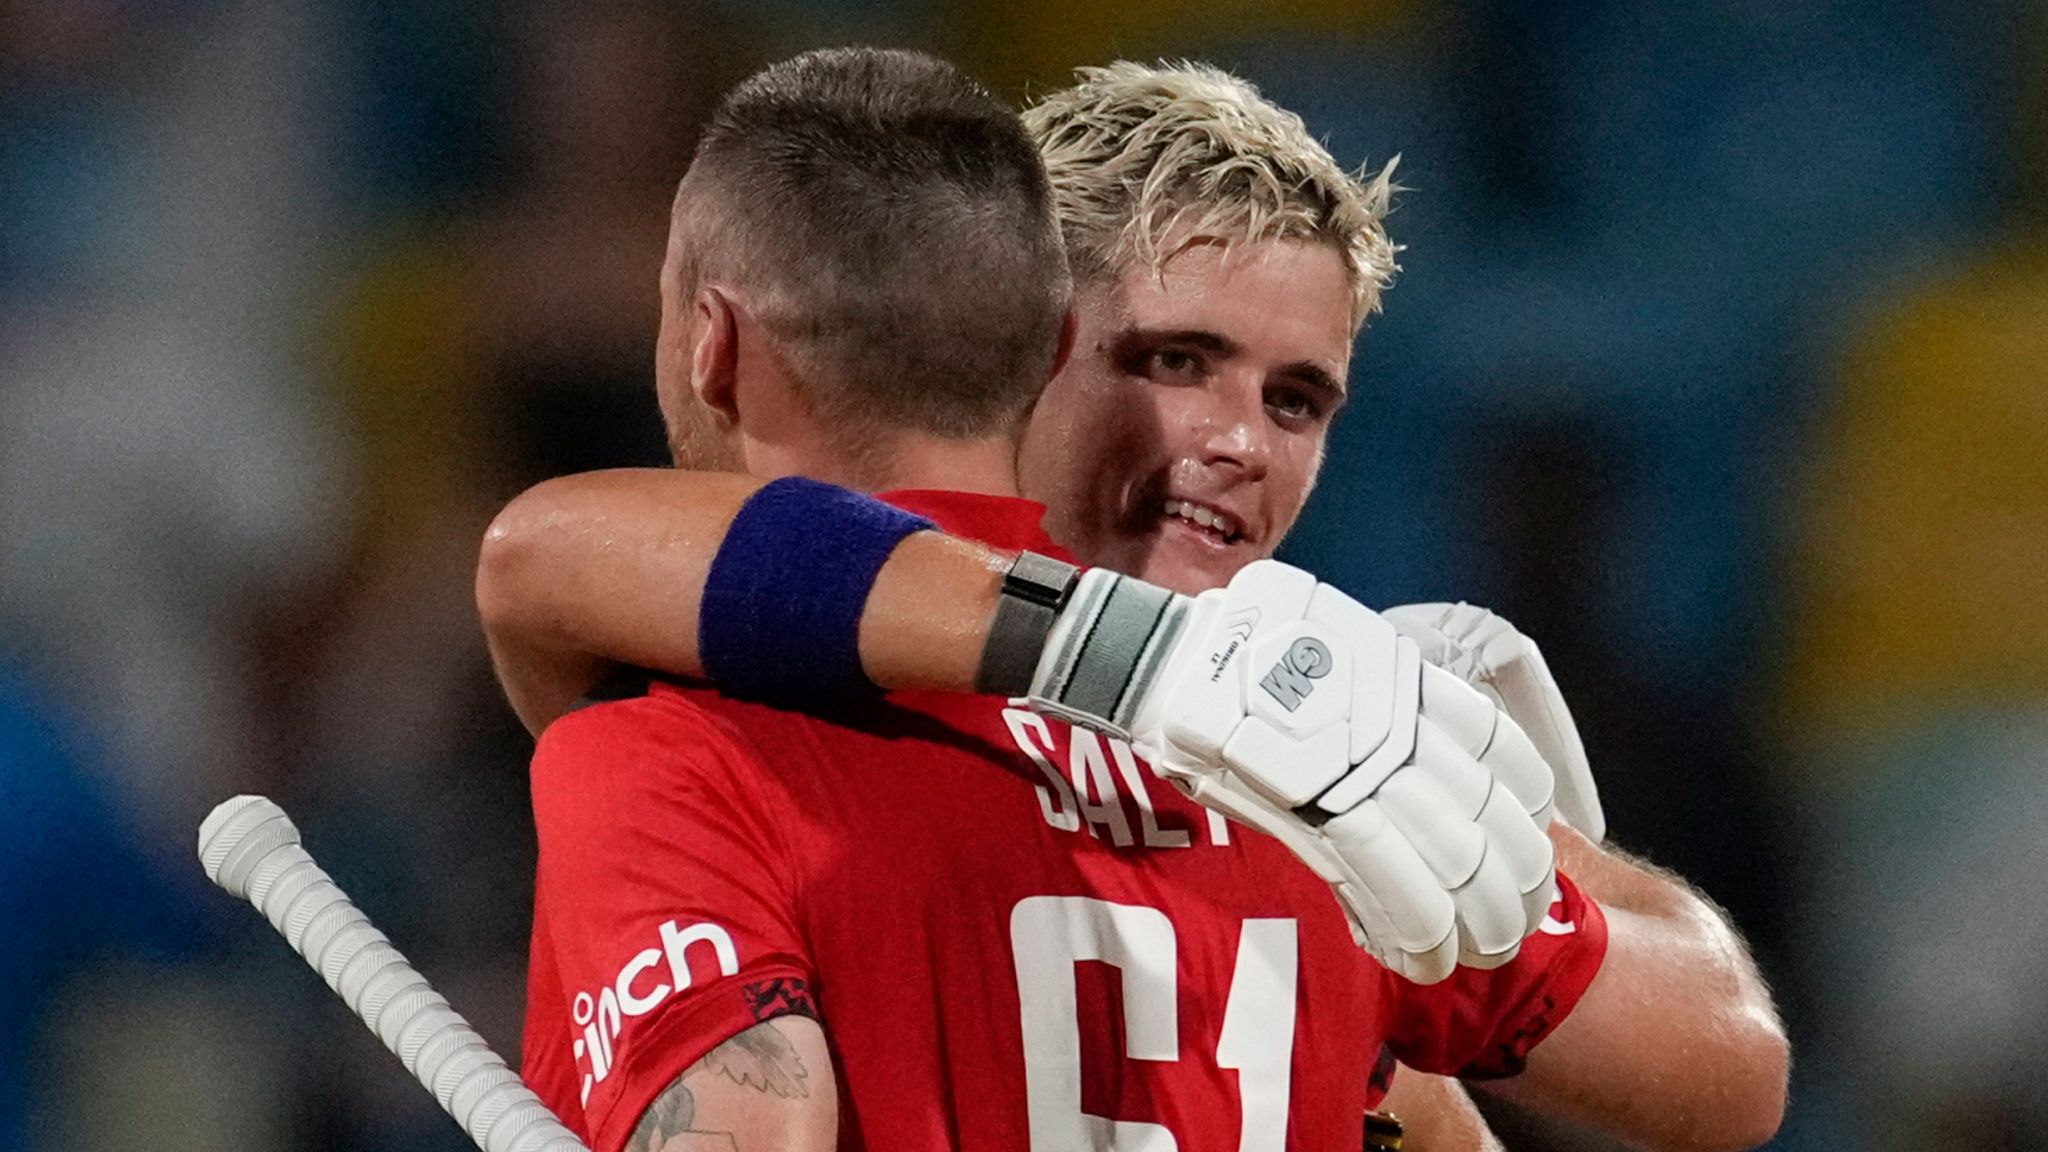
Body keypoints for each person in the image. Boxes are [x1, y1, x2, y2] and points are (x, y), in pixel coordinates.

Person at [499, 51, 1787, 1152]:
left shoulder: (1327, 772)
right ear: (1031, 340)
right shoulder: (1276, 776)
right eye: (1178, 363)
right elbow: (548, 554)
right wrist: (1154, 667)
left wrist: (1470, 812)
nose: (1240, 442)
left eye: (1298, 401)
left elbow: (1732, 1058)